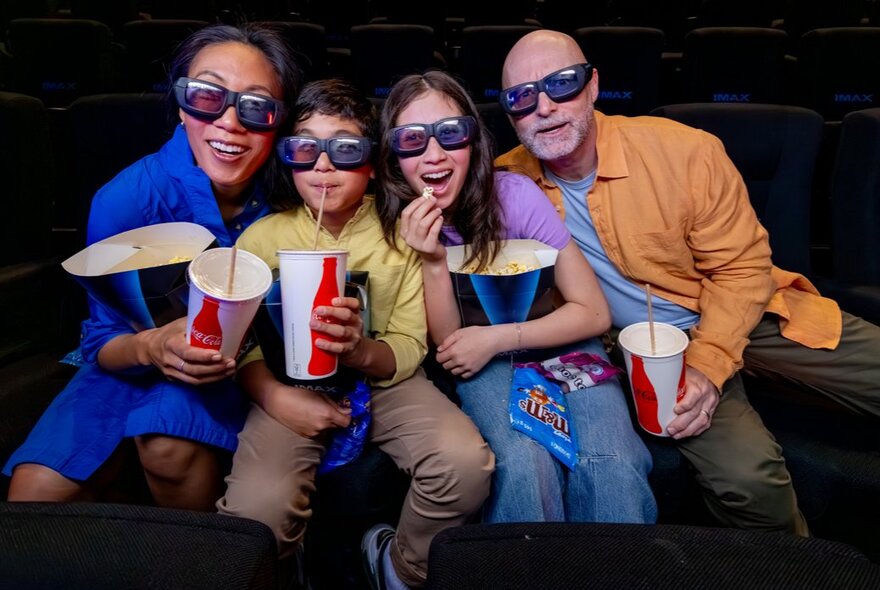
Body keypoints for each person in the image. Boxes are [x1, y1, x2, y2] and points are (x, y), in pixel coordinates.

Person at [497, 29, 880, 535]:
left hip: (744, 311)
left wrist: (708, 363)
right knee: (750, 484)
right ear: (509, 114)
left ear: (593, 86)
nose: (543, 107)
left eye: (561, 84)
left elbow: (742, 269)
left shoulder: (684, 152)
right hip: (645, 355)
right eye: (521, 97)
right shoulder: (505, 185)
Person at [4, 23, 302, 510]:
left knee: (167, 446)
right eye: (207, 95)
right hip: (129, 365)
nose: (230, 122)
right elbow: (101, 341)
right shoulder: (127, 198)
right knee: (33, 495)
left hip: (241, 371)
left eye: (256, 105)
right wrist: (151, 345)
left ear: (278, 122)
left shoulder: (296, 194)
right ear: (182, 105)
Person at [216, 78, 494, 590]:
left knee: (464, 466)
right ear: (288, 159)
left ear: (371, 162)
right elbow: (240, 344)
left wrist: (360, 349)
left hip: (388, 385)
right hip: (287, 382)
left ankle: (400, 567)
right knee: (257, 516)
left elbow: (411, 347)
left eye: (344, 150)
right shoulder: (260, 238)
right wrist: (276, 396)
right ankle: (287, 568)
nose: (323, 166)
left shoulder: (398, 236)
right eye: (306, 150)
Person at [376, 69, 657, 525]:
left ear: (473, 141)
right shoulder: (392, 222)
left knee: (613, 465)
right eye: (412, 139)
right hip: (482, 366)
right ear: (393, 155)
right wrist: (431, 258)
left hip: (563, 344)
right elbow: (450, 344)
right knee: (526, 466)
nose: (434, 153)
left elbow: (593, 311)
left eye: (451, 133)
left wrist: (497, 337)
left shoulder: (516, 196)